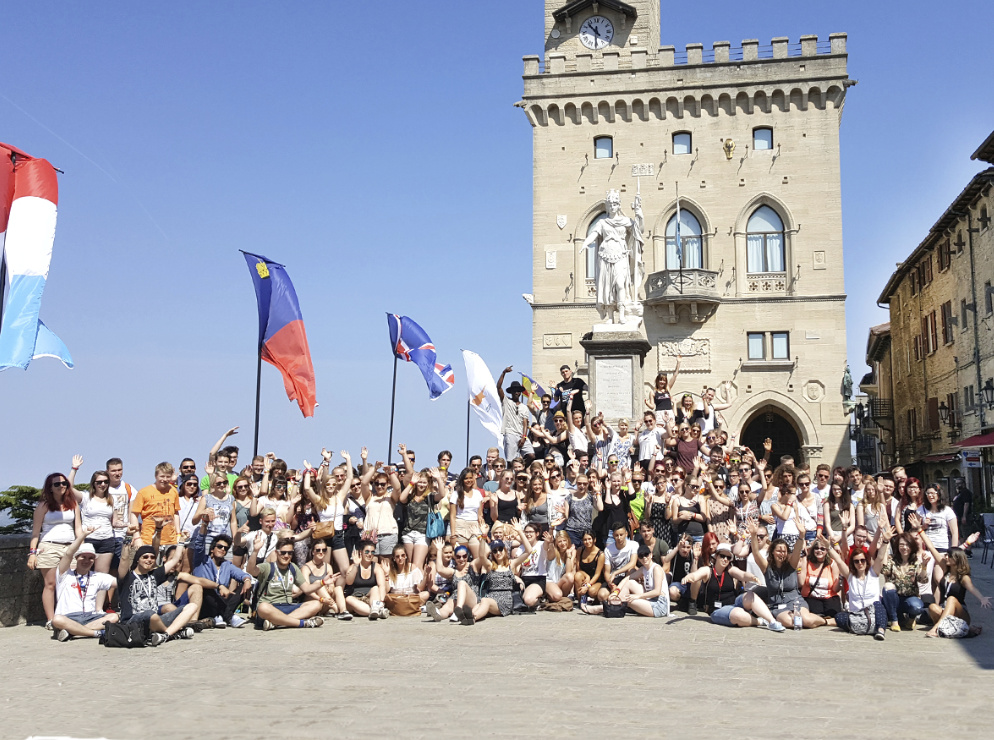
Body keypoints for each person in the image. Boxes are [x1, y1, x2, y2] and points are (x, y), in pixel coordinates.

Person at [681, 541, 781, 629]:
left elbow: (742, 575)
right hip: (717, 611)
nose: (725, 559)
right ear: (716, 556)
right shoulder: (708, 571)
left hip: (734, 604)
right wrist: (689, 577)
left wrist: (752, 577)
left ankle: (772, 621)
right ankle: (760, 621)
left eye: (728, 557)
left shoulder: (730, 570)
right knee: (738, 614)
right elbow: (696, 575)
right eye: (722, 556)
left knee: (750, 595)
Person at [27, 472, 82, 628]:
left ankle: (69, 615)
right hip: (49, 546)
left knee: (71, 582)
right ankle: (51, 619)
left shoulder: (73, 504)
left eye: (64, 483)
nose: (62, 486)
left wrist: (80, 546)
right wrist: (32, 553)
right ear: (50, 488)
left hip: (69, 546)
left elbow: (78, 528)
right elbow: (36, 532)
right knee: (50, 583)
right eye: (57, 484)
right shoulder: (43, 506)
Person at [117, 540, 198, 645]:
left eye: (152, 557)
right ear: (137, 560)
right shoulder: (127, 577)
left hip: (155, 621)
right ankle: (174, 633)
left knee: (192, 606)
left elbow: (174, 560)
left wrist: (181, 541)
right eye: (145, 557)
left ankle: (165, 635)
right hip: (133, 622)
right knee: (150, 614)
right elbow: (124, 559)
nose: (149, 560)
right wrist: (127, 542)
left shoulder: (154, 575)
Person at [748, 519, 824, 629]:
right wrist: (753, 535)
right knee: (789, 622)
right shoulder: (767, 568)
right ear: (772, 552)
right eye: (779, 551)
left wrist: (801, 536)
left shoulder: (791, 565)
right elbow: (755, 553)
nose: (782, 554)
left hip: (796, 601)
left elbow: (797, 551)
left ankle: (826, 621)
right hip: (777, 605)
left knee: (806, 620)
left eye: (784, 551)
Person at [247, 533, 328, 630]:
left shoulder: (293, 567)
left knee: (316, 604)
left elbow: (306, 589)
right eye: (283, 553)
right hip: (271, 607)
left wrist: (322, 582)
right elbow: (251, 570)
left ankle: (277, 623)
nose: (286, 556)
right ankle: (302, 623)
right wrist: (255, 551)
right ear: (276, 553)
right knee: (262, 607)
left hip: (288, 606)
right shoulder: (268, 567)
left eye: (290, 553)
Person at [51, 527, 119, 642]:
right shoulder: (65, 575)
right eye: (83, 557)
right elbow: (68, 554)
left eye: (91, 558)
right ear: (77, 557)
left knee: (114, 617)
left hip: (90, 617)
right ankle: (95, 633)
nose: (87, 560)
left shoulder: (97, 576)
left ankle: (72, 632)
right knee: (57, 619)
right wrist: (83, 535)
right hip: (68, 616)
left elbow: (121, 582)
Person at [831, 525, 889, 640]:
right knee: (839, 617)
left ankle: (880, 630)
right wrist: (828, 547)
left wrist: (885, 541)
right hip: (857, 616)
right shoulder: (850, 576)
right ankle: (861, 627)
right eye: (856, 561)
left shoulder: (873, 573)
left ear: (866, 561)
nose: (860, 563)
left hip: (874, 615)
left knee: (879, 605)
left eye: (862, 560)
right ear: (853, 563)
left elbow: (880, 557)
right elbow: (838, 560)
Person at [191, 533, 252, 628]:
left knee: (242, 588)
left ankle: (220, 616)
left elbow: (240, 574)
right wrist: (204, 525)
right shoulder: (201, 561)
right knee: (206, 587)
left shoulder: (227, 565)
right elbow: (199, 544)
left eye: (226, 548)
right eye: (220, 547)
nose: (223, 549)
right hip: (205, 603)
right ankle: (229, 617)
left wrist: (247, 580)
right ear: (212, 549)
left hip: (222, 600)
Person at [880, 532, 929, 631]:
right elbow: (884, 570)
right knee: (888, 586)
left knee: (917, 607)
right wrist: (885, 544)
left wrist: (924, 565)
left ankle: (911, 619)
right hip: (894, 598)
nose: (904, 547)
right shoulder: (892, 559)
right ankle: (894, 621)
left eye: (907, 545)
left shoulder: (915, 562)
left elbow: (923, 580)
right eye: (901, 545)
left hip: (910, 598)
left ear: (912, 547)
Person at [130, 462, 181, 550]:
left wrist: (178, 534)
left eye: (168, 476)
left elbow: (176, 513)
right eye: (162, 476)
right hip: (149, 540)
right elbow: (134, 514)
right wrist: (137, 537)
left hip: (170, 540)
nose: (165, 479)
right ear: (156, 476)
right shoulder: (144, 492)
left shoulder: (173, 491)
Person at [335, 539, 389, 620]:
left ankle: (377, 609)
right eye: (367, 552)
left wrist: (381, 601)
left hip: (369, 599)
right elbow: (349, 582)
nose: (369, 554)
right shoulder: (353, 566)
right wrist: (356, 566)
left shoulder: (376, 567)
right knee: (349, 599)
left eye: (372, 552)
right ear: (361, 552)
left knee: (375, 588)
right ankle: (378, 612)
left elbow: (382, 586)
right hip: (355, 598)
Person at [190, 473, 237, 567]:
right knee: (207, 567)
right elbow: (194, 521)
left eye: (225, 482)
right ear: (212, 484)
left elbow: (233, 521)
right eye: (219, 483)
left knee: (227, 567)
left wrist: (235, 538)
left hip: (225, 539)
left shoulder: (230, 499)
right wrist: (203, 512)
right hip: (209, 540)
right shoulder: (207, 498)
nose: (222, 485)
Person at [801, 534, 842, 623]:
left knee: (834, 613)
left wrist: (840, 580)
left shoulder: (832, 563)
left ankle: (824, 621)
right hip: (812, 597)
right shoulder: (807, 562)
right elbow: (800, 582)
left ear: (827, 551)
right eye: (816, 548)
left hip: (829, 596)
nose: (819, 551)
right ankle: (825, 621)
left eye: (822, 549)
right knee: (816, 613)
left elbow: (835, 588)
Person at [496, 368, 535, 463]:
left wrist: (524, 436)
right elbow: (498, 387)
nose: (516, 392)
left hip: (521, 434)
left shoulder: (524, 407)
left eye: (518, 391)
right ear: (511, 392)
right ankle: (511, 473)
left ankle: (521, 468)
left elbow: (525, 423)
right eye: (514, 390)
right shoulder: (506, 401)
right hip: (510, 433)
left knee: (531, 455)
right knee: (510, 460)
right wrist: (503, 373)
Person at [449, 467, 487, 558]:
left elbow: (480, 515)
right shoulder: (456, 494)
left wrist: (483, 530)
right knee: (461, 556)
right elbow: (452, 516)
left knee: (479, 556)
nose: (469, 480)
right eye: (466, 478)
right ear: (462, 480)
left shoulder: (477, 493)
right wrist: (453, 535)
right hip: (460, 526)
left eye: (470, 478)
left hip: (474, 527)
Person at [517, 522, 556, 607]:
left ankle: (541, 600)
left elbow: (548, 545)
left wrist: (551, 530)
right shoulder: (520, 548)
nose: (528, 534)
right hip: (524, 578)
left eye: (531, 532)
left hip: (538, 578)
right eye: (526, 532)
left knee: (528, 600)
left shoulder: (541, 544)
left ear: (537, 534)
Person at [384, 543, 428, 614]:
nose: (400, 558)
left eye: (403, 555)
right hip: (396, 598)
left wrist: (426, 575)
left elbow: (421, 588)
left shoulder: (412, 567)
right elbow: (386, 590)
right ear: (394, 558)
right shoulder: (390, 570)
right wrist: (386, 574)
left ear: (406, 556)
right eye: (397, 556)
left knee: (425, 594)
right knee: (386, 597)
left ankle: (405, 608)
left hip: (410, 597)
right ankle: (415, 608)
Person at [573, 531, 605, 605]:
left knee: (592, 591)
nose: (587, 542)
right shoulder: (580, 550)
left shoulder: (600, 554)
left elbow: (597, 574)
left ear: (594, 540)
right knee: (577, 575)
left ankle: (596, 600)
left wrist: (588, 585)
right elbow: (578, 569)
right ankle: (580, 601)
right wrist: (587, 576)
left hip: (596, 580)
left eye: (589, 539)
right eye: (585, 539)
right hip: (584, 577)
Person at [646, 362, 681, 428]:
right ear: (657, 381)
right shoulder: (653, 392)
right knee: (660, 432)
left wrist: (678, 363)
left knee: (671, 429)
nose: (662, 382)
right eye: (660, 380)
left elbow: (675, 376)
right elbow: (652, 406)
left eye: (664, 380)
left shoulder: (667, 389)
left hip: (669, 412)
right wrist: (647, 403)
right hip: (659, 413)